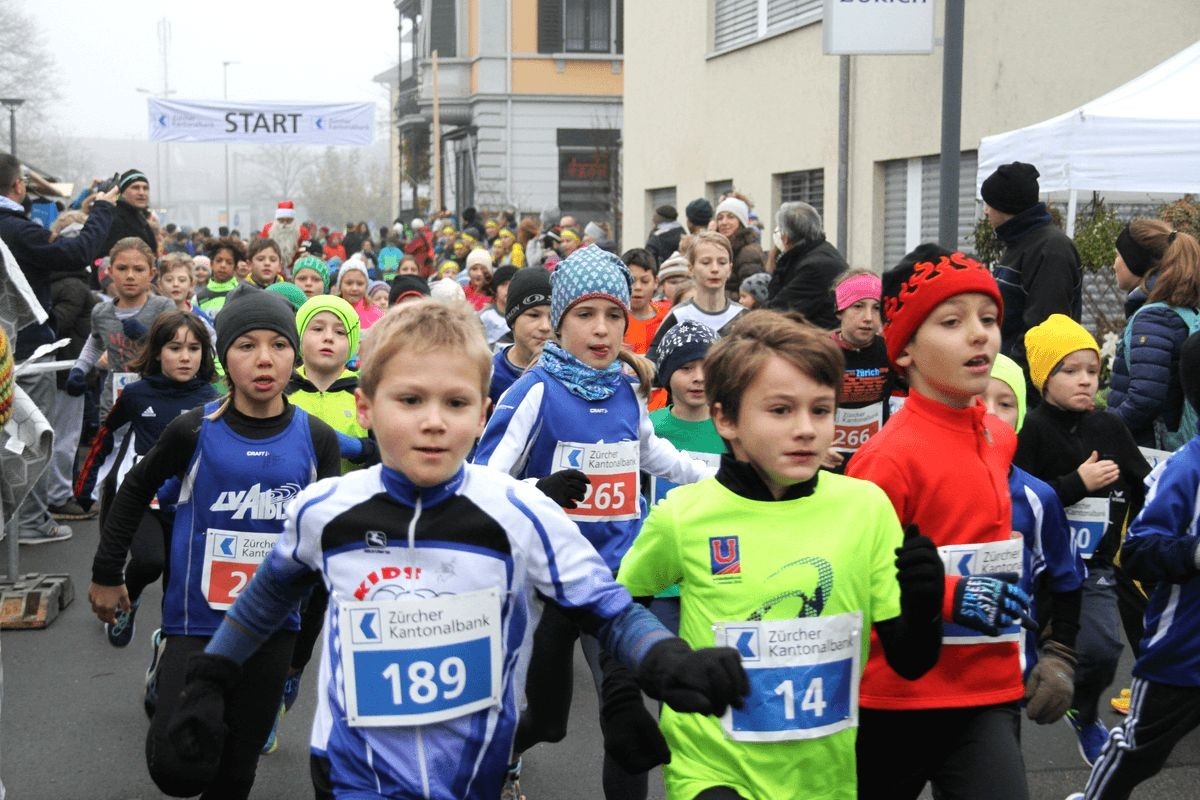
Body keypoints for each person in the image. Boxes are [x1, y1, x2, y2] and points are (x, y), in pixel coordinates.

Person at [160, 298, 748, 800]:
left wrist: (664, 660)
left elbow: (609, 608)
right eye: (410, 401)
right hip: (349, 774)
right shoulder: (325, 509)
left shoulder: (522, 512)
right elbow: (267, 595)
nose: (434, 422)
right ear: (366, 410)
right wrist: (212, 675)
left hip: (471, 776)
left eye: (456, 403)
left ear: (483, 413)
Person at [619, 310, 942, 799]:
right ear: (726, 418)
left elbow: (911, 662)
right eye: (781, 410)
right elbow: (619, 608)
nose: (807, 429)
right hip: (712, 771)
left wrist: (923, 609)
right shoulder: (683, 515)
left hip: (825, 778)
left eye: (821, 409)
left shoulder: (865, 508)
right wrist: (623, 699)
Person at [473, 245, 717, 799]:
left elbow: (659, 460)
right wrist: (540, 490)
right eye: (585, 315)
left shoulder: (628, 392)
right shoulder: (533, 391)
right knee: (549, 722)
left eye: (613, 315)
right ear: (559, 323)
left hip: (615, 581)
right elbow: (482, 481)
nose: (602, 330)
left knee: (624, 721)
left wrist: (731, 474)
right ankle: (508, 751)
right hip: (548, 586)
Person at [87, 292, 341, 800]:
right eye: (247, 346)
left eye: (278, 345)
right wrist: (107, 571)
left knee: (236, 769)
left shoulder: (316, 439)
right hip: (196, 622)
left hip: (274, 630)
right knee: (179, 769)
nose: (264, 359)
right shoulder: (195, 429)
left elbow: (322, 553)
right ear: (224, 358)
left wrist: (304, 649)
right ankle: (164, 667)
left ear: (295, 357)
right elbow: (135, 487)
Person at [847, 244, 1038, 800]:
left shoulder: (999, 437)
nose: (979, 335)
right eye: (952, 323)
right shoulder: (886, 457)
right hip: (895, 698)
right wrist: (952, 594)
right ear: (903, 351)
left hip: (987, 688)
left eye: (988, 319)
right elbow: (862, 565)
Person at [1065, 331, 1200, 799]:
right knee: (1138, 750)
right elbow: (1140, 551)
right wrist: (1195, 552)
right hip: (1184, 652)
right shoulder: (1185, 470)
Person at [1015, 314, 1150, 766]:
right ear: (1043, 379)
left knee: (1105, 649)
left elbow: (1146, 484)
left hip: (1091, 564)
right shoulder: (1032, 429)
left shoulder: (1109, 427)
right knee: (1020, 659)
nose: (1085, 382)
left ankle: (1083, 709)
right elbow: (1021, 500)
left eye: (1092, 371)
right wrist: (1077, 482)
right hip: (1036, 566)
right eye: (1069, 371)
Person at [76, 310, 219, 648]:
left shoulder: (213, 399)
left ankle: (164, 657)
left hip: (190, 501)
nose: (185, 357)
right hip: (144, 496)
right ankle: (131, 597)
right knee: (150, 560)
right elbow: (106, 436)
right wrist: (85, 486)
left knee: (178, 586)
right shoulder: (137, 394)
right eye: (174, 348)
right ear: (157, 352)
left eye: (194, 348)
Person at [0, 154, 117, 542]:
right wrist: (102, 210)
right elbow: (74, 254)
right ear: (18, 186)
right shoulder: (14, 229)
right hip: (22, 350)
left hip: (13, 345)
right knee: (29, 437)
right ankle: (32, 523)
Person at [982, 352, 1086, 735]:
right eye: (978, 400)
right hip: (926, 684)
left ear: (1021, 416)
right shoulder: (924, 487)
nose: (990, 414)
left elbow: (1068, 580)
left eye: (1005, 404)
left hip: (1004, 683)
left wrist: (1060, 655)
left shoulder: (1037, 497)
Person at [981, 161, 1083, 386]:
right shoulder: (1020, 244)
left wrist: (1008, 383)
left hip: (1025, 389)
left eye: (989, 204)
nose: (986, 211)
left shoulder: (1051, 250)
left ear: (1006, 206)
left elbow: (1043, 329)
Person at [1106, 221, 1200, 449]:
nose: (1113, 264)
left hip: (1150, 450)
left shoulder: (1153, 318)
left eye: (1118, 256)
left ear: (1135, 262)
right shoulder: (1182, 308)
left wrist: (1106, 431)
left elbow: (1144, 399)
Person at [67, 238, 175, 422]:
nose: (130, 276)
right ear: (110, 272)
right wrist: (78, 370)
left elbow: (177, 347)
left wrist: (147, 337)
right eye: (122, 268)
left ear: (152, 273)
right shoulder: (101, 312)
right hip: (114, 402)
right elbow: (95, 344)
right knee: (111, 450)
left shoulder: (163, 307)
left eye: (139, 269)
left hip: (157, 399)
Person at [824, 270, 894, 473]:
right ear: (839, 310)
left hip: (875, 461)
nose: (868, 318)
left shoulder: (891, 351)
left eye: (876, 308)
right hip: (829, 463)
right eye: (858, 306)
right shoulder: (819, 352)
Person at [648, 232, 747, 361]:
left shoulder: (743, 317)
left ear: (730, 269)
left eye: (722, 262)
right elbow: (653, 366)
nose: (715, 269)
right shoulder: (679, 316)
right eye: (706, 262)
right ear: (691, 268)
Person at [764, 201, 844, 329]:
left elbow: (779, 312)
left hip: (818, 340)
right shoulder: (819, 253)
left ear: (786, 238)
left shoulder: (815, 267)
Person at [489, 266, 552, 407]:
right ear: (513, 320)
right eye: (534, 315)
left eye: (552, 317)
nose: (545, 326)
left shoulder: (569, 374)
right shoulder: (490, 375)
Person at [622, 248, 670, 356]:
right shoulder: (613, 320)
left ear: (656, 282)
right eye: (631, 281)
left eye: (645, 281)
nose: (638, 287)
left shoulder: (668, 317)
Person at [712, 196, 764, 294]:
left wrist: (715, 296)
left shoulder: (748, 253)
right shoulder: (720, 247)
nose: (724, 222)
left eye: (731, 217)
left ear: (741, 221)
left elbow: (750, 296)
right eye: (720, 218)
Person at [100, 169, 157, 257]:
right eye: (135, 187)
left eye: (145, 188)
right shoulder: (114, 219)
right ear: (122, 193)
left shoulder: (139, 217)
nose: (141, 193)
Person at [195, 237, 247, 318]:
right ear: (211, 264)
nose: (223, 265)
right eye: (219, 260)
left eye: (229, 262)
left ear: (236, 267)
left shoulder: (243, 294)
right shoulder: (199, 298)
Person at [335, 258, 382, 330]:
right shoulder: (331, 311)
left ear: (366, 286)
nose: (354, 288)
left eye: (360, 284)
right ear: (340, 285)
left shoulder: (377, 315)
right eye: (349, 283)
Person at [260, 201, 309, 270]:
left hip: (295, 267)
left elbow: (305, 248)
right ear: (276, 220)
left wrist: (300, 254)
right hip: (272, 267)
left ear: (293, 220)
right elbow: (261, 247)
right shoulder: (268, 230)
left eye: (288, 220)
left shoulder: (302, 231)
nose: (284, 224)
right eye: (281, 220)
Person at [479, 264, 516, 347]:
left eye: (512, 284)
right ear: (495, 288)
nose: (508, 288)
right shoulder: (485, 315)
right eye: (503, 284)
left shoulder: (524, 314)